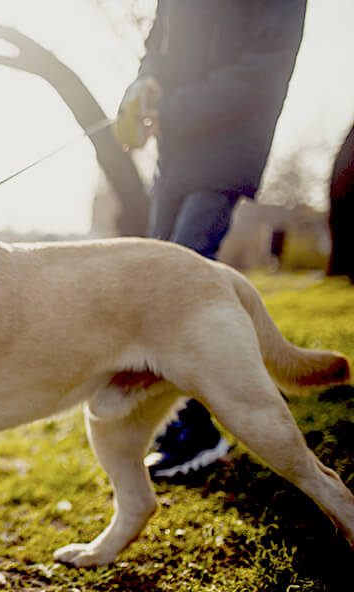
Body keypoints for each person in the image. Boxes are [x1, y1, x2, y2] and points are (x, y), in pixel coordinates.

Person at [114, 0, 307, 479]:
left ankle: (204, 429)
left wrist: (172, 107)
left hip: (225, 151)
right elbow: (158, 43)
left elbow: (262, 72)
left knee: (183, 292)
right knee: (154, 289)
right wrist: (144, 86)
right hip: (175, 155)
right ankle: (177, 417)